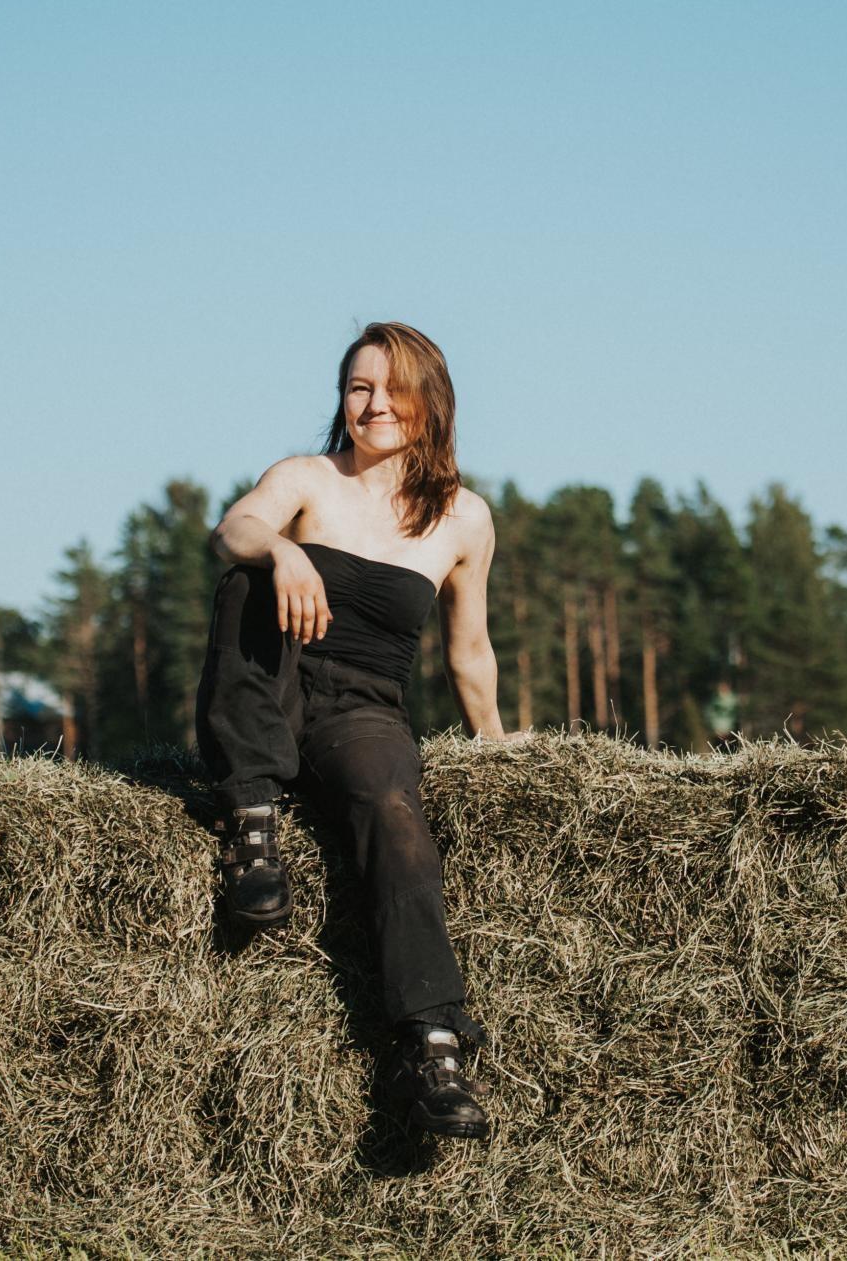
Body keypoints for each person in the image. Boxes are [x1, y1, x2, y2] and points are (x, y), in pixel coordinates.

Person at [193, 320, 513, 1141]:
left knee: (396, 813)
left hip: (364, 713)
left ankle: (434, 1045)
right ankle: (252, 828)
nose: (375, 403)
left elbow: (469, 649)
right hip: (277, 684)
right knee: (244, 583)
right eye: (359, 386)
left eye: (393, 386)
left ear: (430, 400)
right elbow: (233, 527)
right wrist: (284, 554)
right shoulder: (307, 478)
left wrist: (500, 744)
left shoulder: (464, 518)